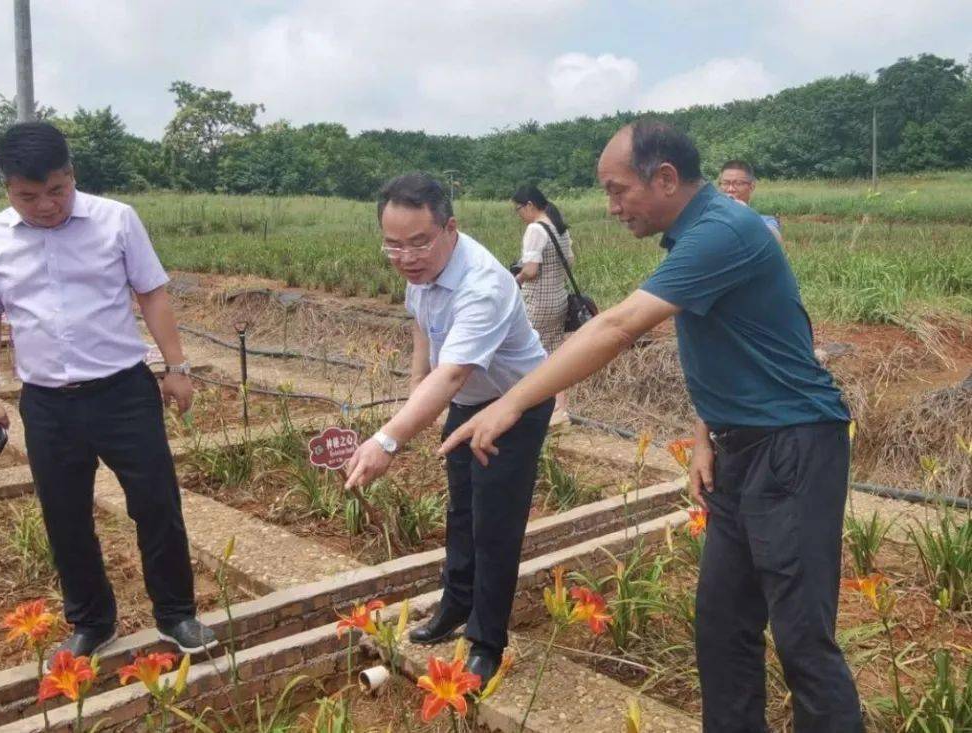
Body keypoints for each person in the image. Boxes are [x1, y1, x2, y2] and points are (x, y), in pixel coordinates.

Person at [441, 120, 863, 731]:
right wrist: (703, 437)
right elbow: (731, 344)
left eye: (617, 191)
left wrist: (510, 403)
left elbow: (618, 327)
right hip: (742, 448)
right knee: (723, 625)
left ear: (664, 178)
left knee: (802, 636)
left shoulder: (724, 231)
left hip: (794, 445)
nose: (611, 208)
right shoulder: (697, 234)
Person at [0, 122, 217, 659]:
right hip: (48, 402)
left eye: (57, 190)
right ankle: (93, 623)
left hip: (123, 392)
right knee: (66, 516)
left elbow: (152, 293)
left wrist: (177, 366)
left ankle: (176, 615)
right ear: (6, 187)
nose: (47, 205)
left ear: (71, 174)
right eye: (29, 196)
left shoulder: (115, 219)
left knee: (156, 506)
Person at [343, 173, 553, 687]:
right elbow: (423, 328)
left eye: (419, 242)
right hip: (467, 401)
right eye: (393, 245)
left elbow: (455, 370)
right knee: (461, 509)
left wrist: (389, 438)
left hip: (513, 406)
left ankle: (486, 641)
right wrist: (418, 393)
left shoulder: (482, 283)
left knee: (494, 522)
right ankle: (455, 604)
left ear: (450, 228)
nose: (406, 257)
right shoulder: (420, 273)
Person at [511, 184, 573, 417]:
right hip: (559, 298)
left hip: (537, 302)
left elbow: (531, 270)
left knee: (528, 353)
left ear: (529, 205)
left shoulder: (535, 230)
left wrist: (516, 279)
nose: (519, 216)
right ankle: (560, 407)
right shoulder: (559, 227)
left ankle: (531, 406)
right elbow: (570, 261)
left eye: (518, 210)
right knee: (555, 353)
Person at [717, 160, 783, 242]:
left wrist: (747, 214)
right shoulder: (709, 217)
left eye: (738, 183)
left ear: (751, 187)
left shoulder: (765, 220)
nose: (730, 189)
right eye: (725, 183)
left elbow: (776, 240)